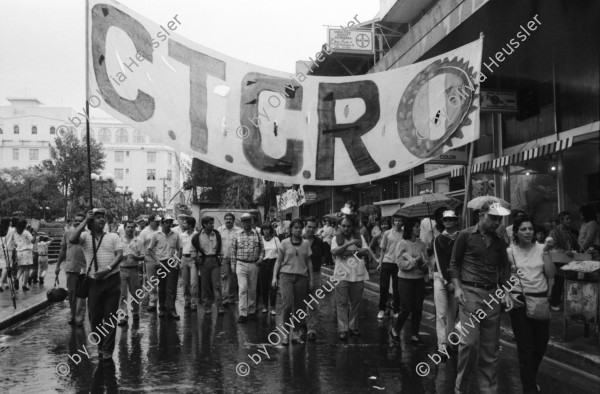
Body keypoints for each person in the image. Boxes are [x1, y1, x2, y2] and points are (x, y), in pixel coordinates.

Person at [448, 201, 513, 394]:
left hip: (492, 296)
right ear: (481, 215)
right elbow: (453, 264)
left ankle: (488, 390)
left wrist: (507, 291)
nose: (496, 222)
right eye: (493, 218)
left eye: (499, 219)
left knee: (490, 349)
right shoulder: (465, 235)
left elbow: (503, 269)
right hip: (470, 294)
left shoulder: (500, 241)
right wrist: (458, 288)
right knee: (469, 344)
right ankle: (461, 389)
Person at [507, 215, 555, 394]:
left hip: (540, 301)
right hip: (519, 301)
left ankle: (530, 379)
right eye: (523, 229)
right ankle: (529, 388)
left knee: (541, 344)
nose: (528, 232)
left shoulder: (542, 248)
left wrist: (547, 253)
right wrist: (508, 295)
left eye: (530, 229)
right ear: (516, 232)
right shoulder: (509, 252)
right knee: (526, 347)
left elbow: (550, 274)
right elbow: (502, 277)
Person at [69, 208, 123, 363]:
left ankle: (107, 350)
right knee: (95, 318)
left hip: (112, 280)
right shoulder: (85, 236)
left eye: (102, 217)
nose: (101, 220)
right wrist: (85, 220)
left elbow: (120, 255)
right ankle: (100, 345)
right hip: (93, 282)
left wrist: (106, 270)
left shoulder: (113, 236)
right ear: (92, 222)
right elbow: (72, 239)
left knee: (110, 317)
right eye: (97, 217)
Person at [389, 218, 430, 346]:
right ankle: (395, 330)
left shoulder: (421, 244)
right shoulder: (402, 243)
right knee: (406, 308)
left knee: (418, 307)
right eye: (417, 226)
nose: (419, 229)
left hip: (419, 280)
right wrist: (413, 262)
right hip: (405, 280)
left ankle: (414, 334)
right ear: (410, 228)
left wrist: (424, 264)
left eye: (419, 227)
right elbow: (400, 263)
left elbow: (426, 260)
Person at [272, 218, 313, 345]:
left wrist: (311, 279)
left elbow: (309, 262)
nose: (298, 230)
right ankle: (285, 334)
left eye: (300, 228)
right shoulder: (284, 243)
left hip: (301, 277)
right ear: (291, 229)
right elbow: (278, 261)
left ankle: (295, 333)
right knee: (287, 305)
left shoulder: (306, 243)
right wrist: (274, 277)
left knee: (299, 307)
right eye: (295, 227)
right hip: (286, 276)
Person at [331, 215, 370, 340]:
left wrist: (348, 252)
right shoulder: (336, 238)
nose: (346, 228)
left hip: (357, 274)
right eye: (343, 226)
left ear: (352, 226)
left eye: (348, 226)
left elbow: (366, 251)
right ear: (339, 226)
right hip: (341, 274)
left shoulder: (360, 237)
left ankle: (353, 327)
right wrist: (351, 244)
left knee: (355, 302)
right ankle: (343, 329)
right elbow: (335, 252)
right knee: (342, 303)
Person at [432, 210, 460, 355]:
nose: (448, 222)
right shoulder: (438, 240)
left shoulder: (462, 237)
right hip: (440, 278)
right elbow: (441, 262)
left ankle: (451, 340)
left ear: (456, 221)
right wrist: (447, 281)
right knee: (441, 313)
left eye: (451, 219)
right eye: (445, 220)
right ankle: (442, 344)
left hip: (457, 279)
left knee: (452, 313)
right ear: (442, 222)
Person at [231, 213, 264, 323]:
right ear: (241, 222)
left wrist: (260, 258)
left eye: (248, 221)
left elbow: (262, 249)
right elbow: (233, 251)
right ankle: (242, 313)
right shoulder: (237, 234)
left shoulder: (257, 234)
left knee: (252, 289)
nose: (246, 223)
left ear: (252, 222)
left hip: (254, 264)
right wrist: (233, 265)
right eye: (244, 221)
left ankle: (251, 311)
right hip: (241, 264)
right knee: (243, 288)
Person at [147, 215, 182, 320]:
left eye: (170, 222)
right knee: (161, 287)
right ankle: (162, 308)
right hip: (161, 263)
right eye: (166, 222)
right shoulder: (156, 235)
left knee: (171, 287)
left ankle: (171, 309)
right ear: (162, 223)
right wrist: (156, 261)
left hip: (171, 262)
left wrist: (177, 261)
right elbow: (150, 249)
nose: (168, 224)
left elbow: (180, 249)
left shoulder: (175, 235)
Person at [56, 213, 88, 326]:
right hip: (70, 268)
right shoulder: (68, 233)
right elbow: (63, 250)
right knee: (72, 293)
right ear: (73, 221)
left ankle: (80, 317)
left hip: (84, 268)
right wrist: (57, 265)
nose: (78, 223)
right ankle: (73, 315)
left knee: (82, 294)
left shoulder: (88, 234)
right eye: (76, 220)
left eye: (81, 221)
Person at [548, 211, 582, 311]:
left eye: (570, 219)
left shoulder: (570, 231)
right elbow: (552, 246)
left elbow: (575, 245)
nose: (569, 221)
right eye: (567, 219)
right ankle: (554, 302)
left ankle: (571, 303)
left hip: (570, 260)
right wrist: (564, 251)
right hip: (559, 260)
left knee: (572, 282)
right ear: (561, 220)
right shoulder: (555, 231)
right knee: (559, 281)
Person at [191, 216, 224, 315]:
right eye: (210, 223)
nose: (212, 225)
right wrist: (198, 261)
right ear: (204, 224)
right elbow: (193, 251)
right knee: (205, 285)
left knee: (217, 284)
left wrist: (220, 258)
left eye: (212, 223)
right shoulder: (197, 237)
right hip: (203, 261)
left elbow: (221, 249)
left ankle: (220, 306)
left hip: (215, 260)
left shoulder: (217, 234)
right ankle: (206, 306)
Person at [117, 220, 144, 326]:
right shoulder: (119, 241)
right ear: (124, 228)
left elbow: (143, 256)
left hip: (134, 269)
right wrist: (120, 257)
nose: (130, 229)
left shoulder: (139, 241)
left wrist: (137, 257)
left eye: (132, 227)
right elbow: (115, 255)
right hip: (122, 269)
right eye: (128, 227)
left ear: (135, 228)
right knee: (122, 294)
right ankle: (123, 315)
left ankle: (136, 312)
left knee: (135, 293)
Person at [303, 216, 326, 341]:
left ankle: (311, 329)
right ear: (305, 227)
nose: (311, 229)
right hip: (300, 275)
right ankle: (301, 327)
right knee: (300, 303)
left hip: (316, 274)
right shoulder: (298, 240)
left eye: (313, 227)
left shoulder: (319, 242)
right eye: (309, 227)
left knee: (313, 303)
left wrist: (316, 268)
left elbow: (322, 258)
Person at [377, 216, 402, 320]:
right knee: (384, 287)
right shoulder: (387, 233)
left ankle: (396, 310)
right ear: (393, 222)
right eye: (396, 220)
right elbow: (383, 249)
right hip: (387, 261)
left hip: (398, 263)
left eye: (399, 220)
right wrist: (380, 263)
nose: (397, 222)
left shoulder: (404, 234)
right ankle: (381, 309)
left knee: (397, 288)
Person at [217, 212, 241, 307]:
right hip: (224, 257)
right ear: (224, 220)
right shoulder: (220, 230)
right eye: (226, 219)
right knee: (224, 277)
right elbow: (217, 243)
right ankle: (225, 298)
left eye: (230, 219)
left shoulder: (238, 231)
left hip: (236, 258)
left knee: (234, 277)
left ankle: (232, 297)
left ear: (233, 220)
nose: (228, 220)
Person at [138, 215, 161, 311]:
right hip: (149, 259)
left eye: (159, 221)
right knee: (152, 282)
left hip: (161, 258)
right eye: (156, 221)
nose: (158, 223)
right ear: (151, 221)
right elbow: (141, 246)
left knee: (162, 281)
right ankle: (152, 303)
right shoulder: (144, 232)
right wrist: (142, 259)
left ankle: (163, 303)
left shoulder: (161, 230)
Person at [258, 224, 280, 315]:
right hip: (263, 263)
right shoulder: (260, 240)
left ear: (270, 230)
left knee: (273, 286)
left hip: (273, 263)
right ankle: (265, 306)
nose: (266, 231)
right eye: (264, 229)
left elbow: (280, 251)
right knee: (264, 286)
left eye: (267, 229)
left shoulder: (276, 239)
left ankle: (273, 307)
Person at [180, 216, 199, 310]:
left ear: (190, 225)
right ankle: (187, 300)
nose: (183, 225)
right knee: (185, 282)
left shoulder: (197, 235)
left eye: (185, 223)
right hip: (184, 258)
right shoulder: (182, 235)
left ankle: (194, 302)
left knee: (194, 282)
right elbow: (180, 248)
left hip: (193, 259)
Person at [11, 220, 34, 291]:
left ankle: (17, 279)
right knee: (27, 269)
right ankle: (24, 285)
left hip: (19, 252)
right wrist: (35, 234)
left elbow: (14, 242)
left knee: (21, 268)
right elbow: (32, 241)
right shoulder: (26, 232)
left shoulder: (15, 233)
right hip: (27, 252)